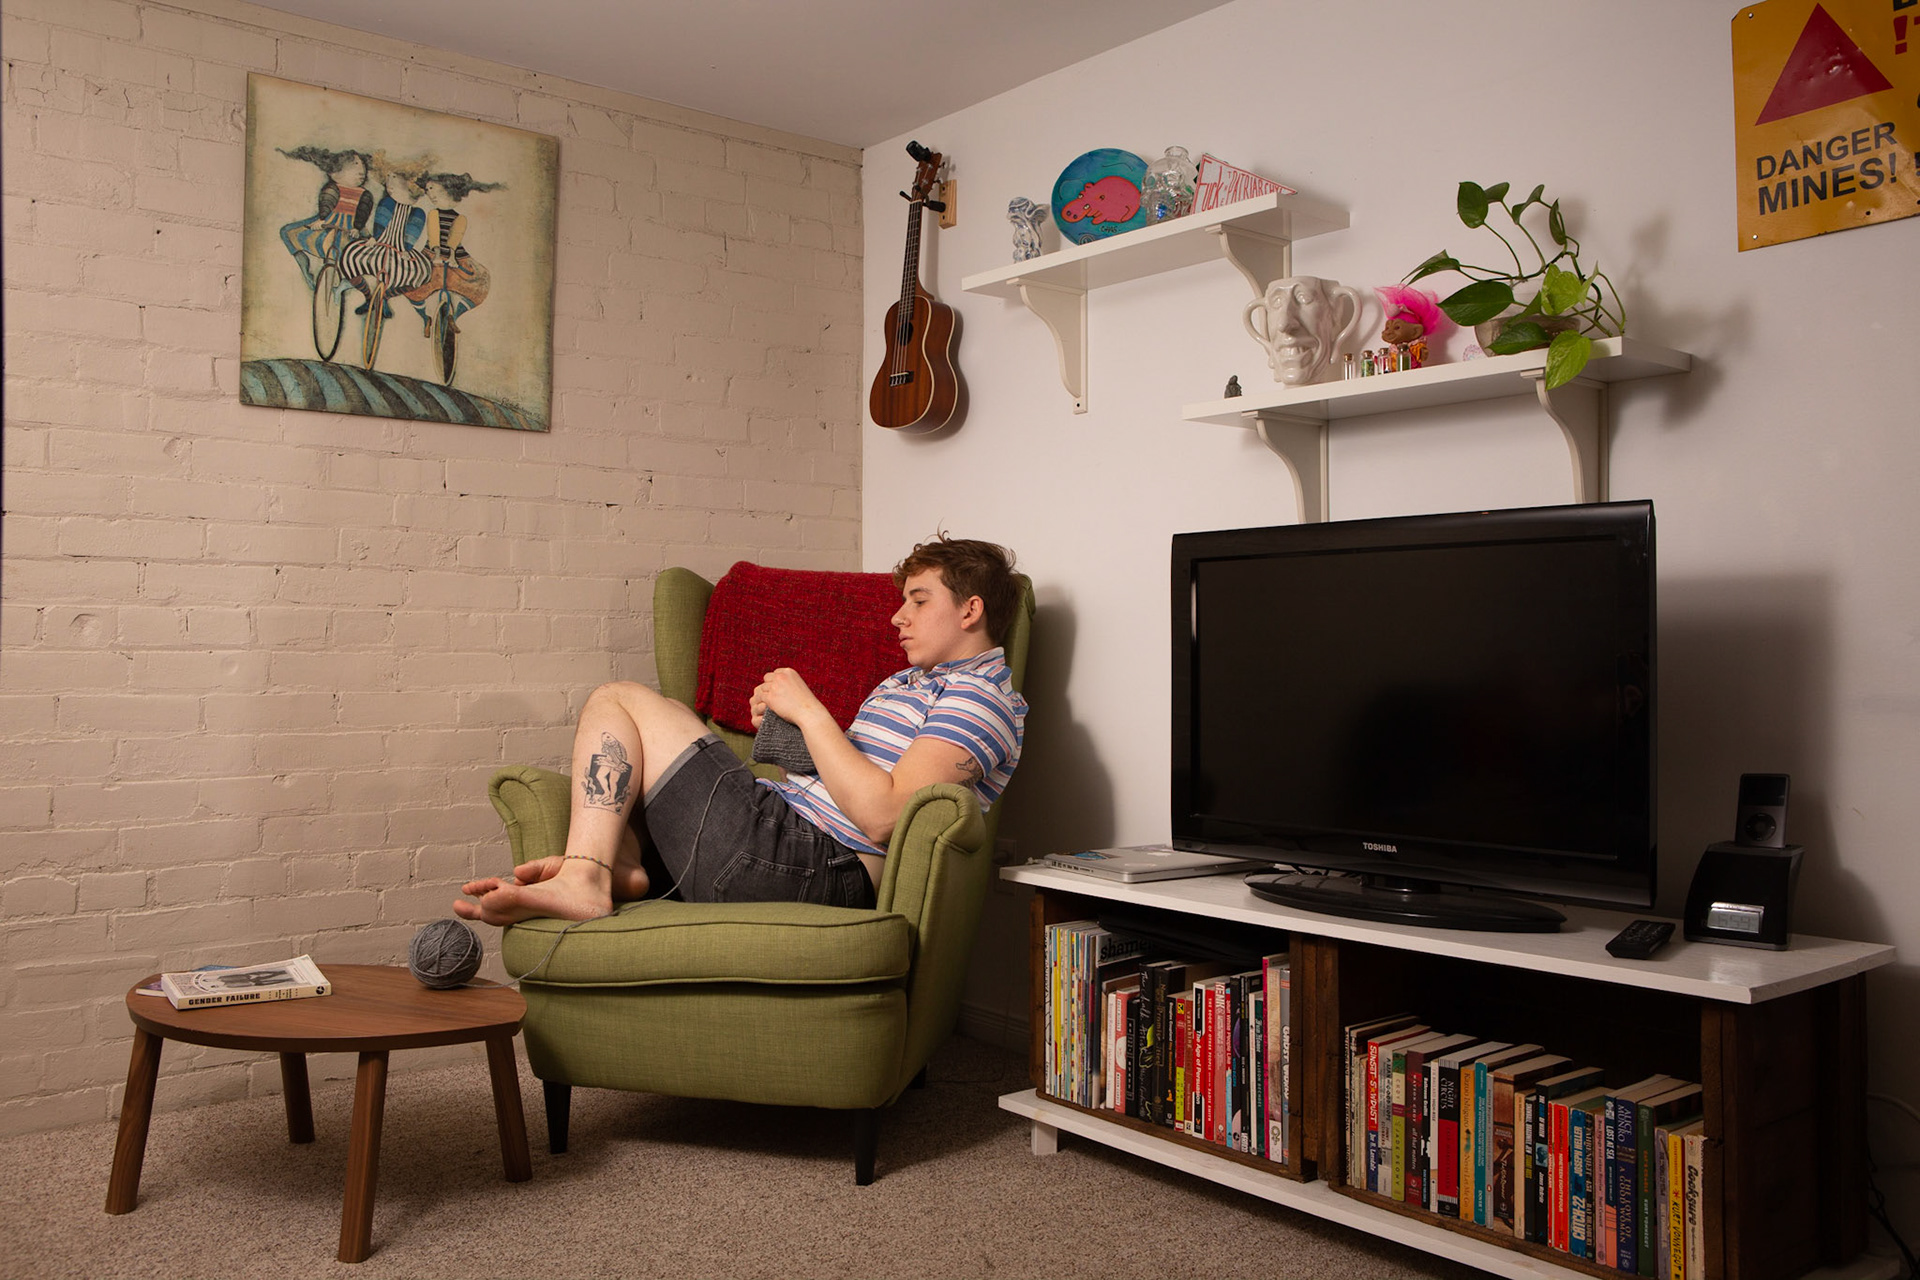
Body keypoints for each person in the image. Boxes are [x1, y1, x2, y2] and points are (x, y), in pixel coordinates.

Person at [454, 536, 1027, 925]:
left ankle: (586, 875)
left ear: (970, 610)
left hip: (816, 866)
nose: (898, 617)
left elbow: (886, 815)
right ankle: (617, 865)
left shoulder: (979, 697)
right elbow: (849, 781)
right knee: (655, 720)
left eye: (918, 601)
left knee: (617, 699)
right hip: (787, 841)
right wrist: (786, 732)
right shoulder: (905, 684)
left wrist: (810, 711)